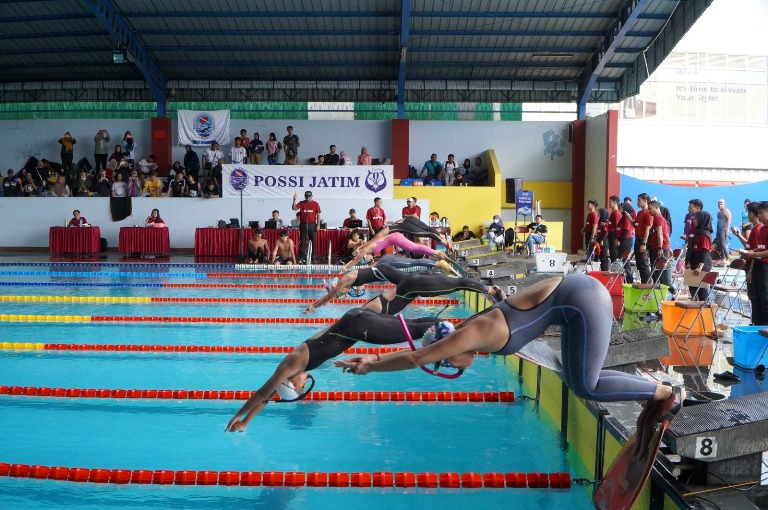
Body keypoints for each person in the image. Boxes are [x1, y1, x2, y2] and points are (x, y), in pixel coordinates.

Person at [335, 275, 681, 408]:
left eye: (447, 360)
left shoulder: (473, 334)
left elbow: (417, 359)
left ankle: (664, 393)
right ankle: (655, 389)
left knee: (586, 387)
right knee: (576, 381)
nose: (453, 366)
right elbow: (422, 353)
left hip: (586, 300)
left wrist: (370, 367)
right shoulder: (467, 332)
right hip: (572, 302)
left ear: (452, 351)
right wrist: (372, 360)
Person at [225, 308, 438, 432]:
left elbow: (262, 393)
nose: (305, 384)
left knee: (419, 329)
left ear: (291, 384)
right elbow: (267, 398)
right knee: (419, 325)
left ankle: (460, 334)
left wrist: (236, 416)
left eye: (301, 388)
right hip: (356, 321)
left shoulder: (290, 364)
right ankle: (461, 328)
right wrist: (245, 422)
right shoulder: (297, 367)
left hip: (358, 327)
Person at [306, 262, 500, 314]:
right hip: (388, 271)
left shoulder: (342, 282)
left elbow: (330, 296)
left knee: (417, 284)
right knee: (418, 285)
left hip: (392, 274)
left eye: (341, 295)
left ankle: (491, 290)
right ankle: (436, 273)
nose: (343, 295)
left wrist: (314, 305)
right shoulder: (349, 279)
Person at [341, 231, 454, 272]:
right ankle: (435, 252)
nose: (366, 259)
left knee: (414, 247)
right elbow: (357, 259)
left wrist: (346, 267)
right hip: (394, 237)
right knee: (414, 247)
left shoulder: (366, 249)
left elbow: (355, 260)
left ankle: (437, 253)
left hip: (395, 238)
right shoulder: (367, 247)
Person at [732, 201, 762, 325]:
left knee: (756, 296)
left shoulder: (759, 229)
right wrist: (739, 235)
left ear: (751, 213)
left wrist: (750, 271)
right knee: (753, 296)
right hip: (750, 264)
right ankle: (755, 321)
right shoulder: (755, 228)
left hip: (753, 266)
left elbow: (755, 252)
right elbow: (749, 247)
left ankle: (757, 323)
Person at [745, 202, 768, 325]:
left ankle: (764, 328)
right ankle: (757, 326)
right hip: (758, 266)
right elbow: (760, 248)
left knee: (764, 300)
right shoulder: (762, 229)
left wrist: (754, 254)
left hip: (765, 267)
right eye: (758, 213)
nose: (759, 215)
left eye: (761, 213)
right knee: (756, 298)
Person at [685, 210, 713, 301]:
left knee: (701, 289)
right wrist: (688, 262)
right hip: (694, 260)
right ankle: (696, 308)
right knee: (692, 286)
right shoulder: (698, 232)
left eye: (696, 219)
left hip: (702, 263)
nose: (694, 221)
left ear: (702, 220)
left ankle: (704, 308)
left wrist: (700, 267)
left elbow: (704, 251)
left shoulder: (705, 235)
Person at [647, 200, 672, 290]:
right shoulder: (661, 219)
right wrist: (669, 247)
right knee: (658, 273)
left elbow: (660, 233)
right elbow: (666, 235)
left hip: (659, 248)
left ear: (657, 207)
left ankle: (672, 291)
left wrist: (660, 248)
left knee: (659, 273)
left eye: (650, 209)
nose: (649, 211)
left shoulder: (658, 218)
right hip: (662, 247)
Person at [292, 190, 321, 264]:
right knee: (302, 241)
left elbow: (318, 215)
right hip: (303, 225)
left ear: (312, 196)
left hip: (312, 225)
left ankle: (313, 257)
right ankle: (302, 257)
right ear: (305, 197)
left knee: (313, 241)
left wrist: (318, 225)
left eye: (309, 197)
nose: (308, 198)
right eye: (306, 197)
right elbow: (294, 208)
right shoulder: (302, 203)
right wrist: (294, 200)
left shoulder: (315, 204)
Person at [634, 193, 653, 284]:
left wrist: (644, 243)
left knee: (643, 264)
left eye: (639, 200)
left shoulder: (647, 213)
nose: (637, 202)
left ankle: (647, 286)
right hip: (637, 240)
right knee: (639, 265)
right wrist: (630, 218)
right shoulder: (639, 213)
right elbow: (635, 225)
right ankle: (643, 284)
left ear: (645, 201)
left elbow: (647, 229)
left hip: (643, 240)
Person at [615, 204, 635, 282]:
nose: (621, 209)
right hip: (622, 240)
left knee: (625, 260)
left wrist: (619, 240)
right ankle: (624, 280)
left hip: (626, 241)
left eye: (622, 208)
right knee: (621, 260)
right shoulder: (622, 218)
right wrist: (617, 238)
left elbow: (626, 231)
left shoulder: (627, 219)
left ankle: (629, 280)